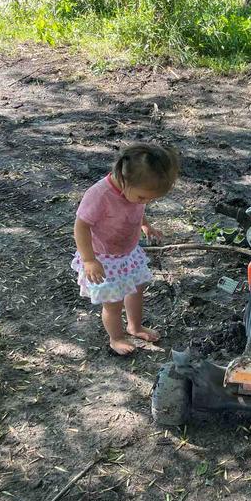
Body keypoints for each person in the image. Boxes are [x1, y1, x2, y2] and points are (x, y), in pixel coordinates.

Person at [71, 143, 180, 355]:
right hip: (105, 260)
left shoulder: (135, 190)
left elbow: (138, 208)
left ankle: (135, 326)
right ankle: (116, 338)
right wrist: (89, 260)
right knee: (113, 303)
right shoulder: (99, 195)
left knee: (137, 289)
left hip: (128, 253)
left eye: (151, 199)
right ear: (123, 180)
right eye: (143, 197)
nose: (146, 202)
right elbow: (81, 226)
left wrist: (145, 225)